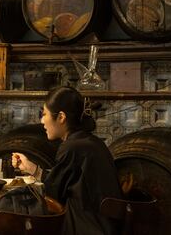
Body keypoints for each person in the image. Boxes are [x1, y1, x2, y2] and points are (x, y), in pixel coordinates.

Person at [12, 86, 122, 235]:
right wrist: (32, 168)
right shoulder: (92, 142)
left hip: (86, 226)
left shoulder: (72, 146)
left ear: (61, 117)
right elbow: (61, 181)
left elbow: (54, 192)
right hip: (106, 226)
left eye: (44, 114)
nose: (42, 121)